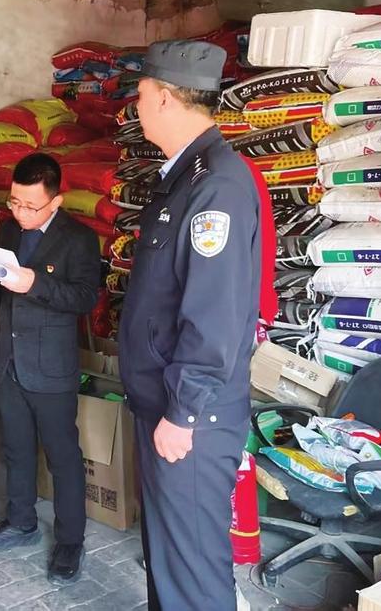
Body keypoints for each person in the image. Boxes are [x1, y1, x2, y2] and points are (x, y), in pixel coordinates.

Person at [118, 40, 261, 611]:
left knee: (193, 572)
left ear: (165, 99)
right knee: (169, 561)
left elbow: (214, 314)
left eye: (141, 95)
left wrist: (183, 412)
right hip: (164, 402)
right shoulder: (183, 177)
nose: (136, 107)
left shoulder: (215, 186)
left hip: (190, 417)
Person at [0, 153, 101, 586]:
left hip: (50, 366)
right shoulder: (8, 230)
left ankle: (70, 540)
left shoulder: (78, 239)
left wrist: (35, 283)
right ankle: (20, 520)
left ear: (55, 201)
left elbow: (85, 298)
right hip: (8, 359)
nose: (21, 212)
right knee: (16, 447)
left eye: (30, 206)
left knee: (62, 456)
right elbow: (0, 288)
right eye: (15, 202)